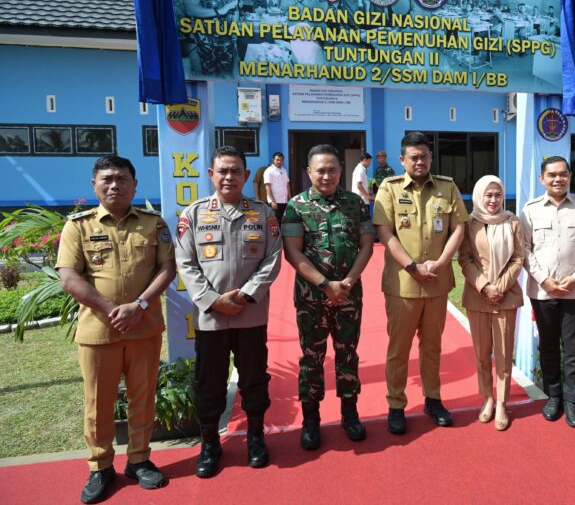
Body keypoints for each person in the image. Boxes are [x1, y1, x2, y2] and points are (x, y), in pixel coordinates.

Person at [56, 156, 175, 504]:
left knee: (143, 398)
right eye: (106, 179)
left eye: (122, 179)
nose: (114, 185)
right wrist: (112, 310)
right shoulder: (77, 226)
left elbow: (167, 268)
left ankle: (139, 460)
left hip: (144, 328)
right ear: (93, 185)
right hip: (99, 331)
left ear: (134, 185)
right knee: (98, 402)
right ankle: (100, 466)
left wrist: (139, 306)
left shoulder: (153, 224)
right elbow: (68, 277)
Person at [175, 146, 283, 477]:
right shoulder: (193, 215)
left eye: (236, 171)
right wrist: (212, 300)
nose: (229, 177)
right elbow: (185, 262)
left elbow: (273, 257)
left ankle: (255, 437)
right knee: (209, 383)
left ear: (246, 175)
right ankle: (210, 444)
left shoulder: (263, 214)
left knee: (254, 379)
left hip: (251, 316)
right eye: (222, 171)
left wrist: (247, 295)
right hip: (211, 318)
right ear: (211, 174)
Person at [373, 132, 469, 434]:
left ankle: (433, 399)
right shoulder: (389, 188)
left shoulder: (447, 187)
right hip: (403, 284)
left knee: (432, 347)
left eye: (424, 156)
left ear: (431, 157)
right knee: (398, 349)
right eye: (413, 157)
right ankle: (396, 404)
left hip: (436, 283)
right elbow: (385, 233)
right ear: (402, 160)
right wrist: (412, 267)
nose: (419, 161)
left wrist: (441, 263)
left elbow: (458, 228)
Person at [282, 144, 375, 450]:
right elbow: (292, 252)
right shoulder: (296, 206)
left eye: (332, 170)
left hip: (349, 295)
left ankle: (350, 414)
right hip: (311, 299)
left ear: (340, 171)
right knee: (312, 358)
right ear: (309, 172)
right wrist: (325, 284)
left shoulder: (355, 203)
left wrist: (347, 282)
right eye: (320, 170)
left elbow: (366, 245)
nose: (326, 176)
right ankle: (311, 420)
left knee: (348, 354)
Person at [520, 156, 575, 428]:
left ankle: (572, 401)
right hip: (543, 292)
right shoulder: (530, 210)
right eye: (552, 175)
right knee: (548, 346)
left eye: (563, 174)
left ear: (569, 176)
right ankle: (553, 397)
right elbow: (524, 249)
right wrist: (544, 280)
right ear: (541, 179)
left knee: (574, 349)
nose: (558, 179)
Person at [457, 175, 524, 431]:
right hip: (477, 296)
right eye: (488, 195)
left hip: (506, 296)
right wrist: (485, 285)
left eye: (498, 195)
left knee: (504, 354)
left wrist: (500, 287)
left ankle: (503, 402)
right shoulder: (469, 223)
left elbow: (518, 258)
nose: (493, 200)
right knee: (482, 353)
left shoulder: (512, 221)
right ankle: (487, 398)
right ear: (479, 196)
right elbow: (464, 258)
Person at [263, 152, 291, 225]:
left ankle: (281, 233)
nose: (279, 162)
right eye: (277, 160)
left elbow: (287, 185)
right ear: (273, 160)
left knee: (283, 221)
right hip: (275, 201)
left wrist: (290, 199)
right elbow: (267, 186)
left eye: (281, 160)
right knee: (275, 222)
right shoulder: (269, 171)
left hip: (284, 201)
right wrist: (273, 201)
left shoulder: (284, 170)